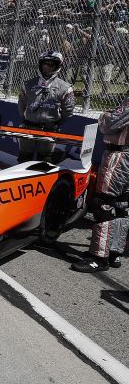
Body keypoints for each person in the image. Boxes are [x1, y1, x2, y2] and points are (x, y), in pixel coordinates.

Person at [71, 97, 129, 272]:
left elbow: (107, 125)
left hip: (119, 157)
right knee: (121, 205)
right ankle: (114, 253)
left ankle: (99, 257)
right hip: (125, 156)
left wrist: (104, 115)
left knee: (103, 204)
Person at [16, 51, 75, 162]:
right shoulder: (27, 84)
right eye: (45, 64)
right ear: (40, 65)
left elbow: (68, 110)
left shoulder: (65, 88)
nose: (47, 67)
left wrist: (55, 124)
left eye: (51, 65)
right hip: (28, 128)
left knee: (45, 161)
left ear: (58, 66)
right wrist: (27, 119)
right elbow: (21, 105)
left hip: (49, 131)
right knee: (24, 159)